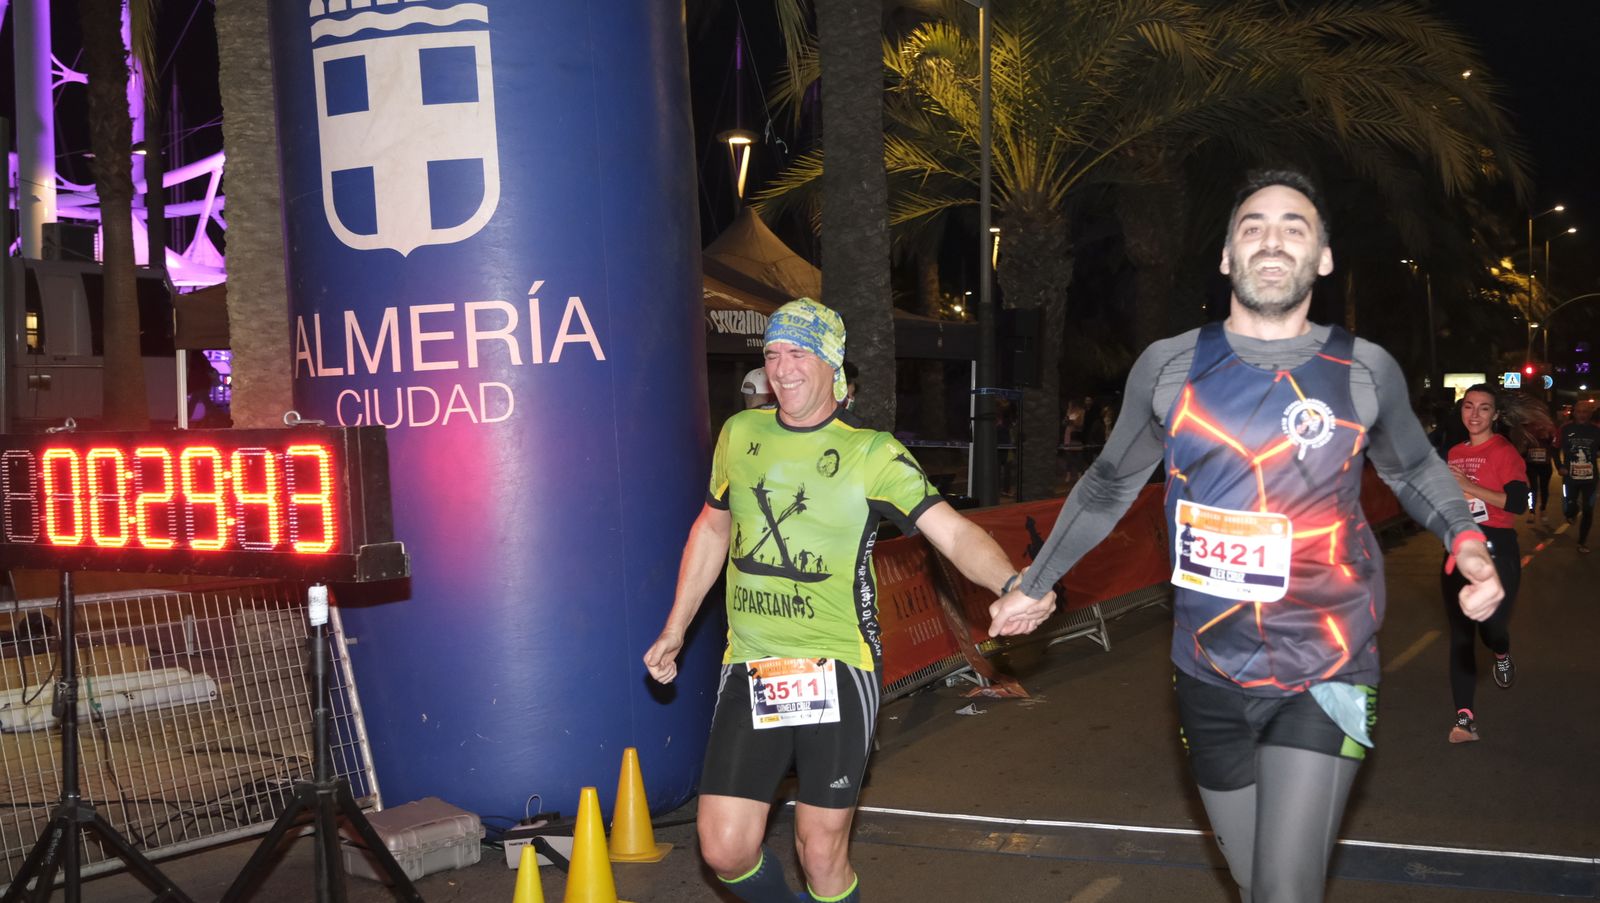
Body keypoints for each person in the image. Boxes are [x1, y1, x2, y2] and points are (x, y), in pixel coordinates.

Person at [988, 169, 1503, 903]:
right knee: (1252, 877)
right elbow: (1107, 483)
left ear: (1322, 258)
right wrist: (1032, 584)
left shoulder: (1362, 370)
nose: (1272, 238)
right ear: (1228, 257)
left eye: (1295, 226)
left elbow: (1416, 467)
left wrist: (1469, 543)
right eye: (1253, 225)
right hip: (1206, 672)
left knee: (1285, 892)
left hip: (1327, 667)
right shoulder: (1169, 366)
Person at [644, 298, 1054, 903]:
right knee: (724, 849)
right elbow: (713, 526)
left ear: (832, 365)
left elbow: (955, 532)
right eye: (774, 354)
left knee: (820, 850)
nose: (782, 369)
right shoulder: (740, 433)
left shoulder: (872, 455)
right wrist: (676, 628)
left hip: (835, 664)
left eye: (799, 354)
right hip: (752, 662)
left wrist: (1010, 583)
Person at [1441, 386, 1542, 743]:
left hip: (1497, 547)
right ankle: (1465, 719)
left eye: (1484, 408)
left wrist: (1470, 486)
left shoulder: (1503, 451)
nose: (1475, 414)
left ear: (1495, 415)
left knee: (1492, 626)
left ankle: (1501, 650)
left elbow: (1516, 503)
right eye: (1469, 406)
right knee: (1461, 635)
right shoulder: (1453, 451)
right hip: (1459, 548)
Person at [1557, 406, 1600, 552]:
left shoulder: (1597, 429)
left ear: (1590, 414)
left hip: (1591, 478)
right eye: (1579, 411)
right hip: (1570, 477)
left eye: (1586, 411)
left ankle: (1582, 542)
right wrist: (1560, 466)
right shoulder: (1565, 428)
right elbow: (1554, 448)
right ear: (1574, 413)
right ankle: (1571, 513)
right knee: (1569, 506)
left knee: (1588, 509)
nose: (1582, 414)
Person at [1522, 416, 1558, 524]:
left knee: (1544, 488)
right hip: (1531, 464)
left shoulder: (1549, 428)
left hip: (1545, 464)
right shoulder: (1527, 429)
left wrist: (1549, 436)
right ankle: (1531, 512)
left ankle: (1543, 509)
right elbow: (1522, 446)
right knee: (1532, 489)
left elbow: (1555, 444)